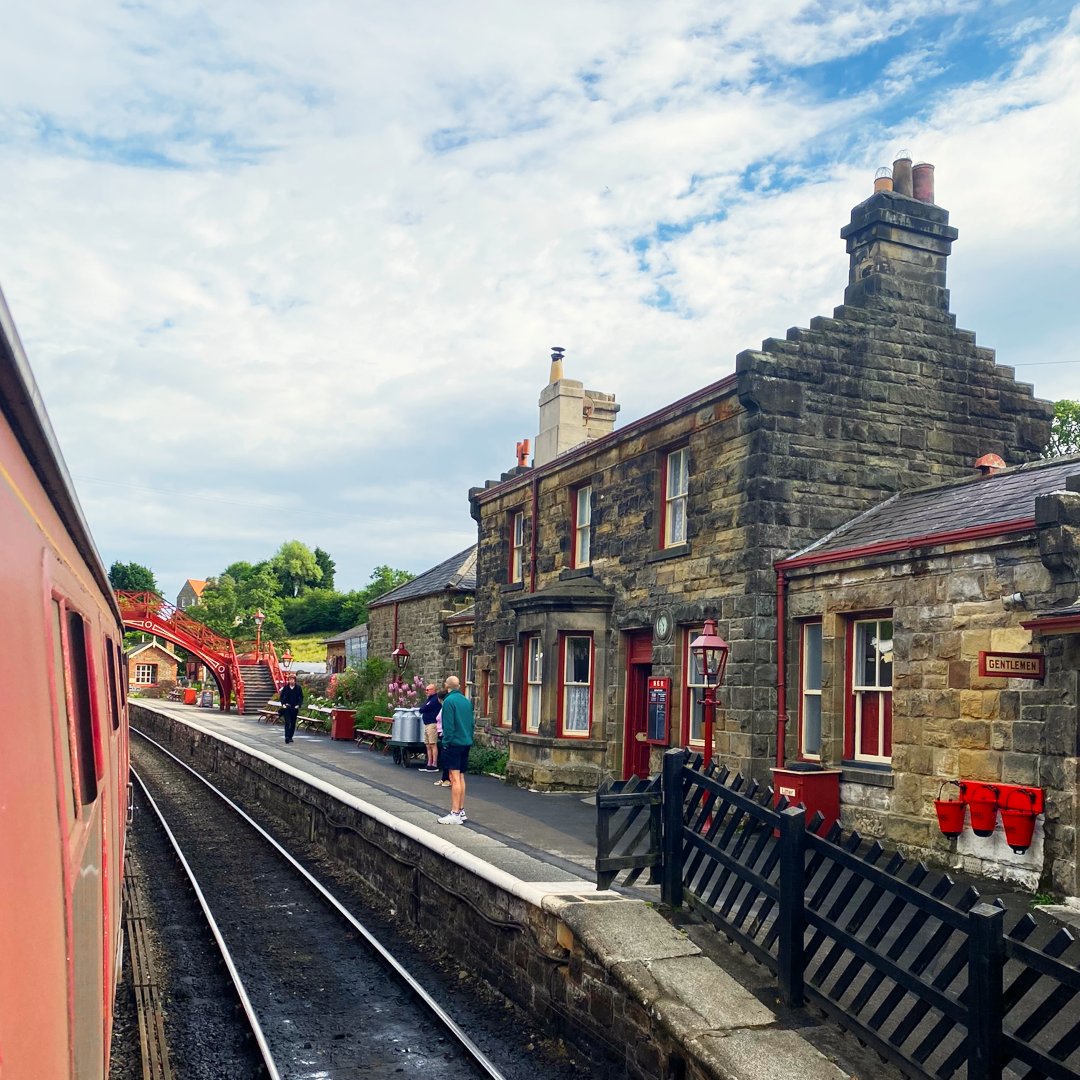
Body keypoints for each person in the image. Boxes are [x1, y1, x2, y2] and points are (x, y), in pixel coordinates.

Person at [437, 675, 474, 825]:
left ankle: (455, 813)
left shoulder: (448, 702)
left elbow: (449, 726)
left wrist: (445, 742)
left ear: (447, 686)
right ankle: (461, 810)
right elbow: (471, 723)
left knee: (453, 777)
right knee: (461, 776)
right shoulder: (466, 701)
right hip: (466, 742)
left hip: (453, 743)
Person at [418, 683, 440, 771]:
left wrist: (424, 707)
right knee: (427, 745)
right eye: (426, 690)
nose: (426, 691)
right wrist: (424, 707)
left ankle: (434, 764)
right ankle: (429, 763)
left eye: (428, 690)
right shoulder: (429, 699)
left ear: (433, 690)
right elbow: (422, 708)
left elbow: (423, 709)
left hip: (432, 724)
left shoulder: (435, 699)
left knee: (433, 744)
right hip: (427, 724)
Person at [279, 673, 303, 744]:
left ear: (295, 680)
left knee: (293, 723)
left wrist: (298, 705)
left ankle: (290, 737)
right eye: (290, 680)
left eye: (292, 680)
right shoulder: (286, 688)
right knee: (287, 722)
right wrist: (283, 704)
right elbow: (282, 696)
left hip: (294, 708)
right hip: (287, 707)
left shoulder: (298, 688)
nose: (291, 681)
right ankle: (286, 736)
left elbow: (301, 697)